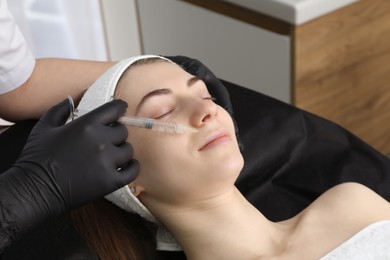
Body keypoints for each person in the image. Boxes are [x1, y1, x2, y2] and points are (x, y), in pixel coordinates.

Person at [66, 55, 390, 260]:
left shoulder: (351, 205)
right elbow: (18, 86)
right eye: (163, 111)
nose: (207, 109)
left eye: (204, 94)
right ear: (123, 174)